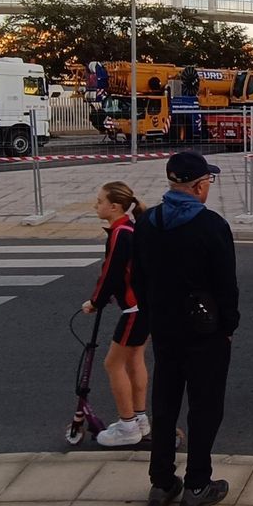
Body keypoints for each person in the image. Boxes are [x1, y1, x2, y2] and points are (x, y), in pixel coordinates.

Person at [134, 151, 240, 506]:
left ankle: (162, 482)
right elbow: (226, 286)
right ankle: (197, 484)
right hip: (205, 332)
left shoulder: (147, 222)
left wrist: (150, 318)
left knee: (165, 404)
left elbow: (139, 278)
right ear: (197, 186)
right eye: (208, 181)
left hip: (165, 329)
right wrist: (228, 327)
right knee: (205, 406)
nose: (209, 187)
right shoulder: (212, 226)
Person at [80, 181, 150, 447]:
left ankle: (127, 426)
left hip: (134, 309)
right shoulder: (131, 228)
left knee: (113, 364)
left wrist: (95, 302)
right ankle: (140, 419)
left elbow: (110, 272)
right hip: (145, 306)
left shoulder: (120, 233)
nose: (95, 205)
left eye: (100, 201)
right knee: (134, 361)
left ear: (115, 207)